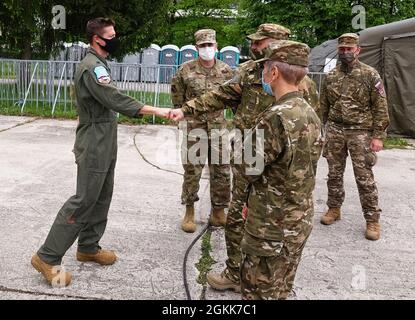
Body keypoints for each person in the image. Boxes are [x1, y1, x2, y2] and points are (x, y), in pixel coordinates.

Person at [170, 23, 320, 293]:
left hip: (273, 167)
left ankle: (264, 281)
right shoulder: (249, 71)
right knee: (237, 218)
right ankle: (236, 271)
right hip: (247, 154)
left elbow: (309, 128)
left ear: (279, 47)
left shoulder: (299, 85)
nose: (254, 46)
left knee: (269, 226)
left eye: (261, 43)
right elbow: (221, 95)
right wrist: (186, 109)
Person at [31, 17, 171, 287]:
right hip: (94, 140)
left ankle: (88, 247)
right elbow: (114, 98)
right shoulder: (91, 67)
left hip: (105, 137)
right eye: (111, 35)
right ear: (97, 39)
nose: (115, 38)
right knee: (84, 199)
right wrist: (157, 110)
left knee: (102, 194)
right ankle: (46, 257)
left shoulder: (101, 63)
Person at [240, 40, 322, 299]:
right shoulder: (309, 112)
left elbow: (248, 168)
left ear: (273, 73)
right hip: (298, 220)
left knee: (258, 292)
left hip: (270, 226)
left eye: (265, 68)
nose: (263, 74)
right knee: (281, 288)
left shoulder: (275, 117)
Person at [320, 33, 389, 241]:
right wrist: (318, 129)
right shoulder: (331, 75)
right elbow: (323, 105)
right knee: (333, 174)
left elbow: (380, 107)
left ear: (358, 50)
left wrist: (378, 136)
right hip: (335, 130)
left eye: (349, 49)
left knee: (364, 178)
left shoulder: (370, 74)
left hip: (361, 132)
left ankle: (372, 219)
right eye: (342, 49)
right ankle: (334, 209)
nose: (345, 52)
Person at [171, 29, 233, 233]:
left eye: (210, 45)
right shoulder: (185, 70)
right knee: (192, 171)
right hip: (194, 129)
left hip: (218, 129)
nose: (207, 49)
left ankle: (218, 211)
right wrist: (182, 121)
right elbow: (177, 99)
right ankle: (189, 211)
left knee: (222, 172)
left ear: (216, 46)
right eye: (203, 46)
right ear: (197, 48)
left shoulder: (226, 71)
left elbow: (234, 99)